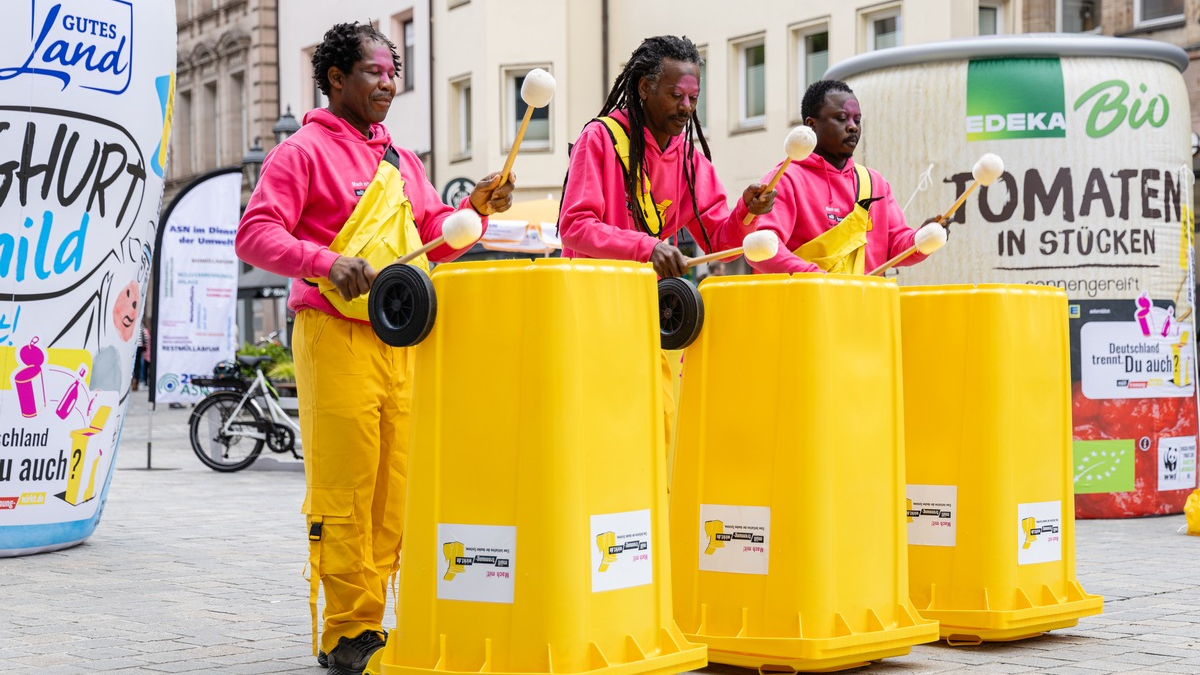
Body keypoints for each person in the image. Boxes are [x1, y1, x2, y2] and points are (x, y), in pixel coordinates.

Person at [235, 22, 514, 675]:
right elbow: (255, 235)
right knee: (347, 485)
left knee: (398, 488)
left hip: (399, 336)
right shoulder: (301, 151)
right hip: (333, 332)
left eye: (393, 71)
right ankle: (346, 630)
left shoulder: (401, 160)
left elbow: (432, 237)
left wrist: (475, 208)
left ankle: (381, 616)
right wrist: (325, 261)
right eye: (375, 71)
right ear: (336, 78)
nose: (389, 81)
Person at [557, 34, 775, 457]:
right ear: (644, 88)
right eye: (677, 95)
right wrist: (646, 247)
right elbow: (575, 227)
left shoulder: (691, 161)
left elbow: (722, 244)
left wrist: (747, 212)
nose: (687, 108)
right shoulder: (600, 140)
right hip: (591, 315)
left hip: (650, 320)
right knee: (596, 440)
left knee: (656, 435)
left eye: (694, 97)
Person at [748, 79, 942, 275]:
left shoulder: (875, 183)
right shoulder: (785, 179)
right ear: (812, 124)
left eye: (857, 120)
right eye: (841, 118)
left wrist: (921, 239)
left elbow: (893, 244)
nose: (853, 127)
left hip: (867, 304)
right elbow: (762, 249)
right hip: (804, 303)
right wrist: (817, 279)